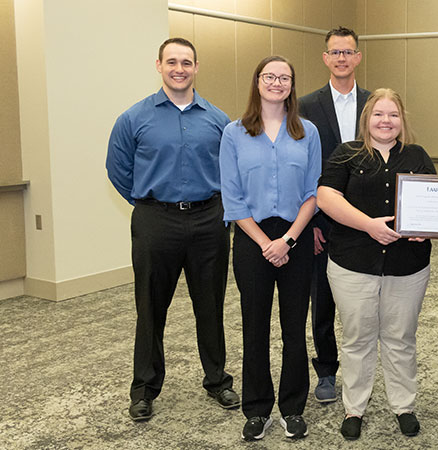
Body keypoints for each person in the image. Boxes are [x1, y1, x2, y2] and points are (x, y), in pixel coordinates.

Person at [106, 37, 238, 422]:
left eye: (187, 62)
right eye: (172, 62)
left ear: (196, 68)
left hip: (209, 219)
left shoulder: (217, 119)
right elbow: (118, 169)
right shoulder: (134, 118)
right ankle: (144, 389)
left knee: (210, 306)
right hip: (155, 220)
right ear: (159, 66)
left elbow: (231, 171)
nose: (179, 68)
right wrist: (149, 205)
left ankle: (217, 381)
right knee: (150, 307)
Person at [317, 88, 435, 441]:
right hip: (352, 264)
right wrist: (369, 225)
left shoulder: (416, 155)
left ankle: (404, 406)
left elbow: (434, 202)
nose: (386, 121)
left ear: (402, 120)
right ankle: (355, 407)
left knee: (401, 337)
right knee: (357, 338)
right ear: (366, 118)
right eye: (379, 114)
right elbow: (326, 197)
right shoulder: (346, 154)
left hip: (407, 266)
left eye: (393, 115)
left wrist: (424, 229)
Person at [219, 55, 321, 441]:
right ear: (257, 82)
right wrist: (266, 243)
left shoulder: (307, 132)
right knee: (255, 327)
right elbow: (232, 197)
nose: (277, 82)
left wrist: (289, 240)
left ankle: (293, 408)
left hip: (296, 236)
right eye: (269, 76)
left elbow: (313, 192)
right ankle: (257, 410)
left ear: (292, 85)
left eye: (284, 77)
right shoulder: (234, 133)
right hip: (251, 239)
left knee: (295, 328)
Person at [298, 26, 370, 404]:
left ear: (358, 57)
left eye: (348, 52)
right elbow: (302, 169)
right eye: (335, 52)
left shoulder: (376, 104)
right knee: (322, 300)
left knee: (366, 303)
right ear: (325, 58)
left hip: (368, 223)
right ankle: (326, 370)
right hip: (321, 223)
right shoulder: (306, 106)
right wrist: (307, 223)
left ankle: (366, 373)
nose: (342, 58)